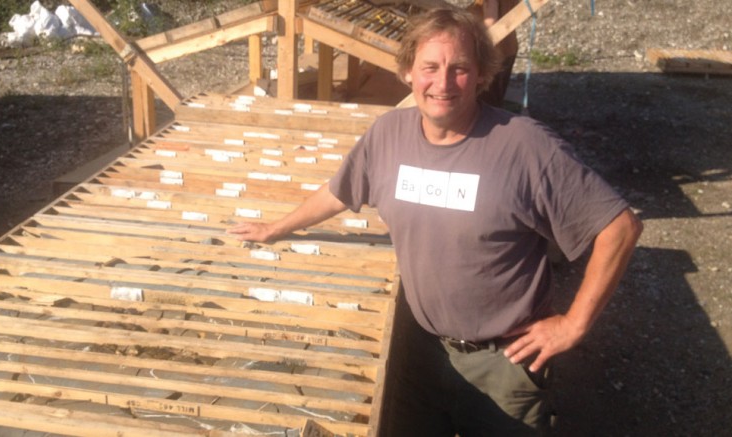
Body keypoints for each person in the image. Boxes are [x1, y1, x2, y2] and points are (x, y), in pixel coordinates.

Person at [229, 8, 642, 436]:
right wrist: (276, 227)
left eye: (459, 68)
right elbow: (340, 191)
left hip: (503, 364)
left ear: (481, 75)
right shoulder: (388, 135)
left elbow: (620, 227)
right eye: (430, 67)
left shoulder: (524, 146)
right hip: (421, 352)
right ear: (408, 72)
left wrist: (574, 324)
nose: (442, 83)